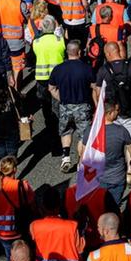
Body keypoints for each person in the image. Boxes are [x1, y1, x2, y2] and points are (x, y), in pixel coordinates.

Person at [49, 39, 96, 173]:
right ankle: (81, 162)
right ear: (79, 52)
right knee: (83, 135)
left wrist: (61, 98)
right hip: (82, 106)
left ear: (67, 52)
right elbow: (94, 87)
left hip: (65, 106)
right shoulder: (86, 69)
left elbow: (51, 88)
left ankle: (65, 157)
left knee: (66, 131)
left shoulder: (58, 69)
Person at [95, 41, 131, 139]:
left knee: (114, 138)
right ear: (118, 51)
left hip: (112, 111)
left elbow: (98, 92)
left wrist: (101, 107)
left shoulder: (103, 70)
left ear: (108, 53)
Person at [30, 186, 85, 261]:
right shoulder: (72, 226)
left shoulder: (34, 226)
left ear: (43, 205)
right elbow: (80, 249)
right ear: (59, 205)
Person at [95, 98, 131, 206]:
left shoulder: (91, 131)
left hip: (97, 177)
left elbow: (82, 152)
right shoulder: (121, 131)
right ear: (109, 113)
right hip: (117, 177)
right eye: (116, 110)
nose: (118, 112)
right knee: (114, 206)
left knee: (99, 206)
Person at [0, 155, 33, 258]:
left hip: (1, 230)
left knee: (10, 257)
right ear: (14, 169)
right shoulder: (22, 185)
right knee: (23, 257)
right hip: (18, 228)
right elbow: (31, 200)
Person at [31, 16, 66, 138]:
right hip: (57, 77)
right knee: (57, 101)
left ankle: (49, 123)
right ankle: (58, 124)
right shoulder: (59, 40)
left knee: (45, 103)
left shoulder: (37, 42)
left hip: (42, 77)